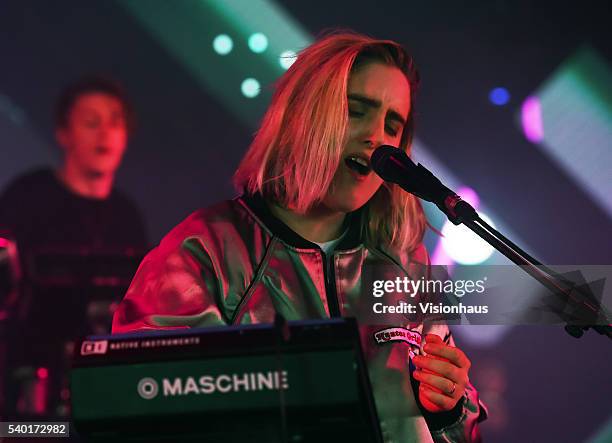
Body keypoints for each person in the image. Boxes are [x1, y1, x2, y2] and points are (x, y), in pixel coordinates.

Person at [112, 33, 487, 442]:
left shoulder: (404, 264)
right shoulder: (204, 251)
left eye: (391, 125)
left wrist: (447, 410)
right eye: (355, 111)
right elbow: (141, 408)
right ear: (302, 115)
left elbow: (461, 431)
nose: (376, 137)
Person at [0, 76, 148, 419]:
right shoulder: (26, 198)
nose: (105, 133)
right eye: (91, 122)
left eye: (115, 122)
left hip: (103, 393)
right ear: (63, 134)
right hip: (25, 398)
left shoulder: (128, 216)